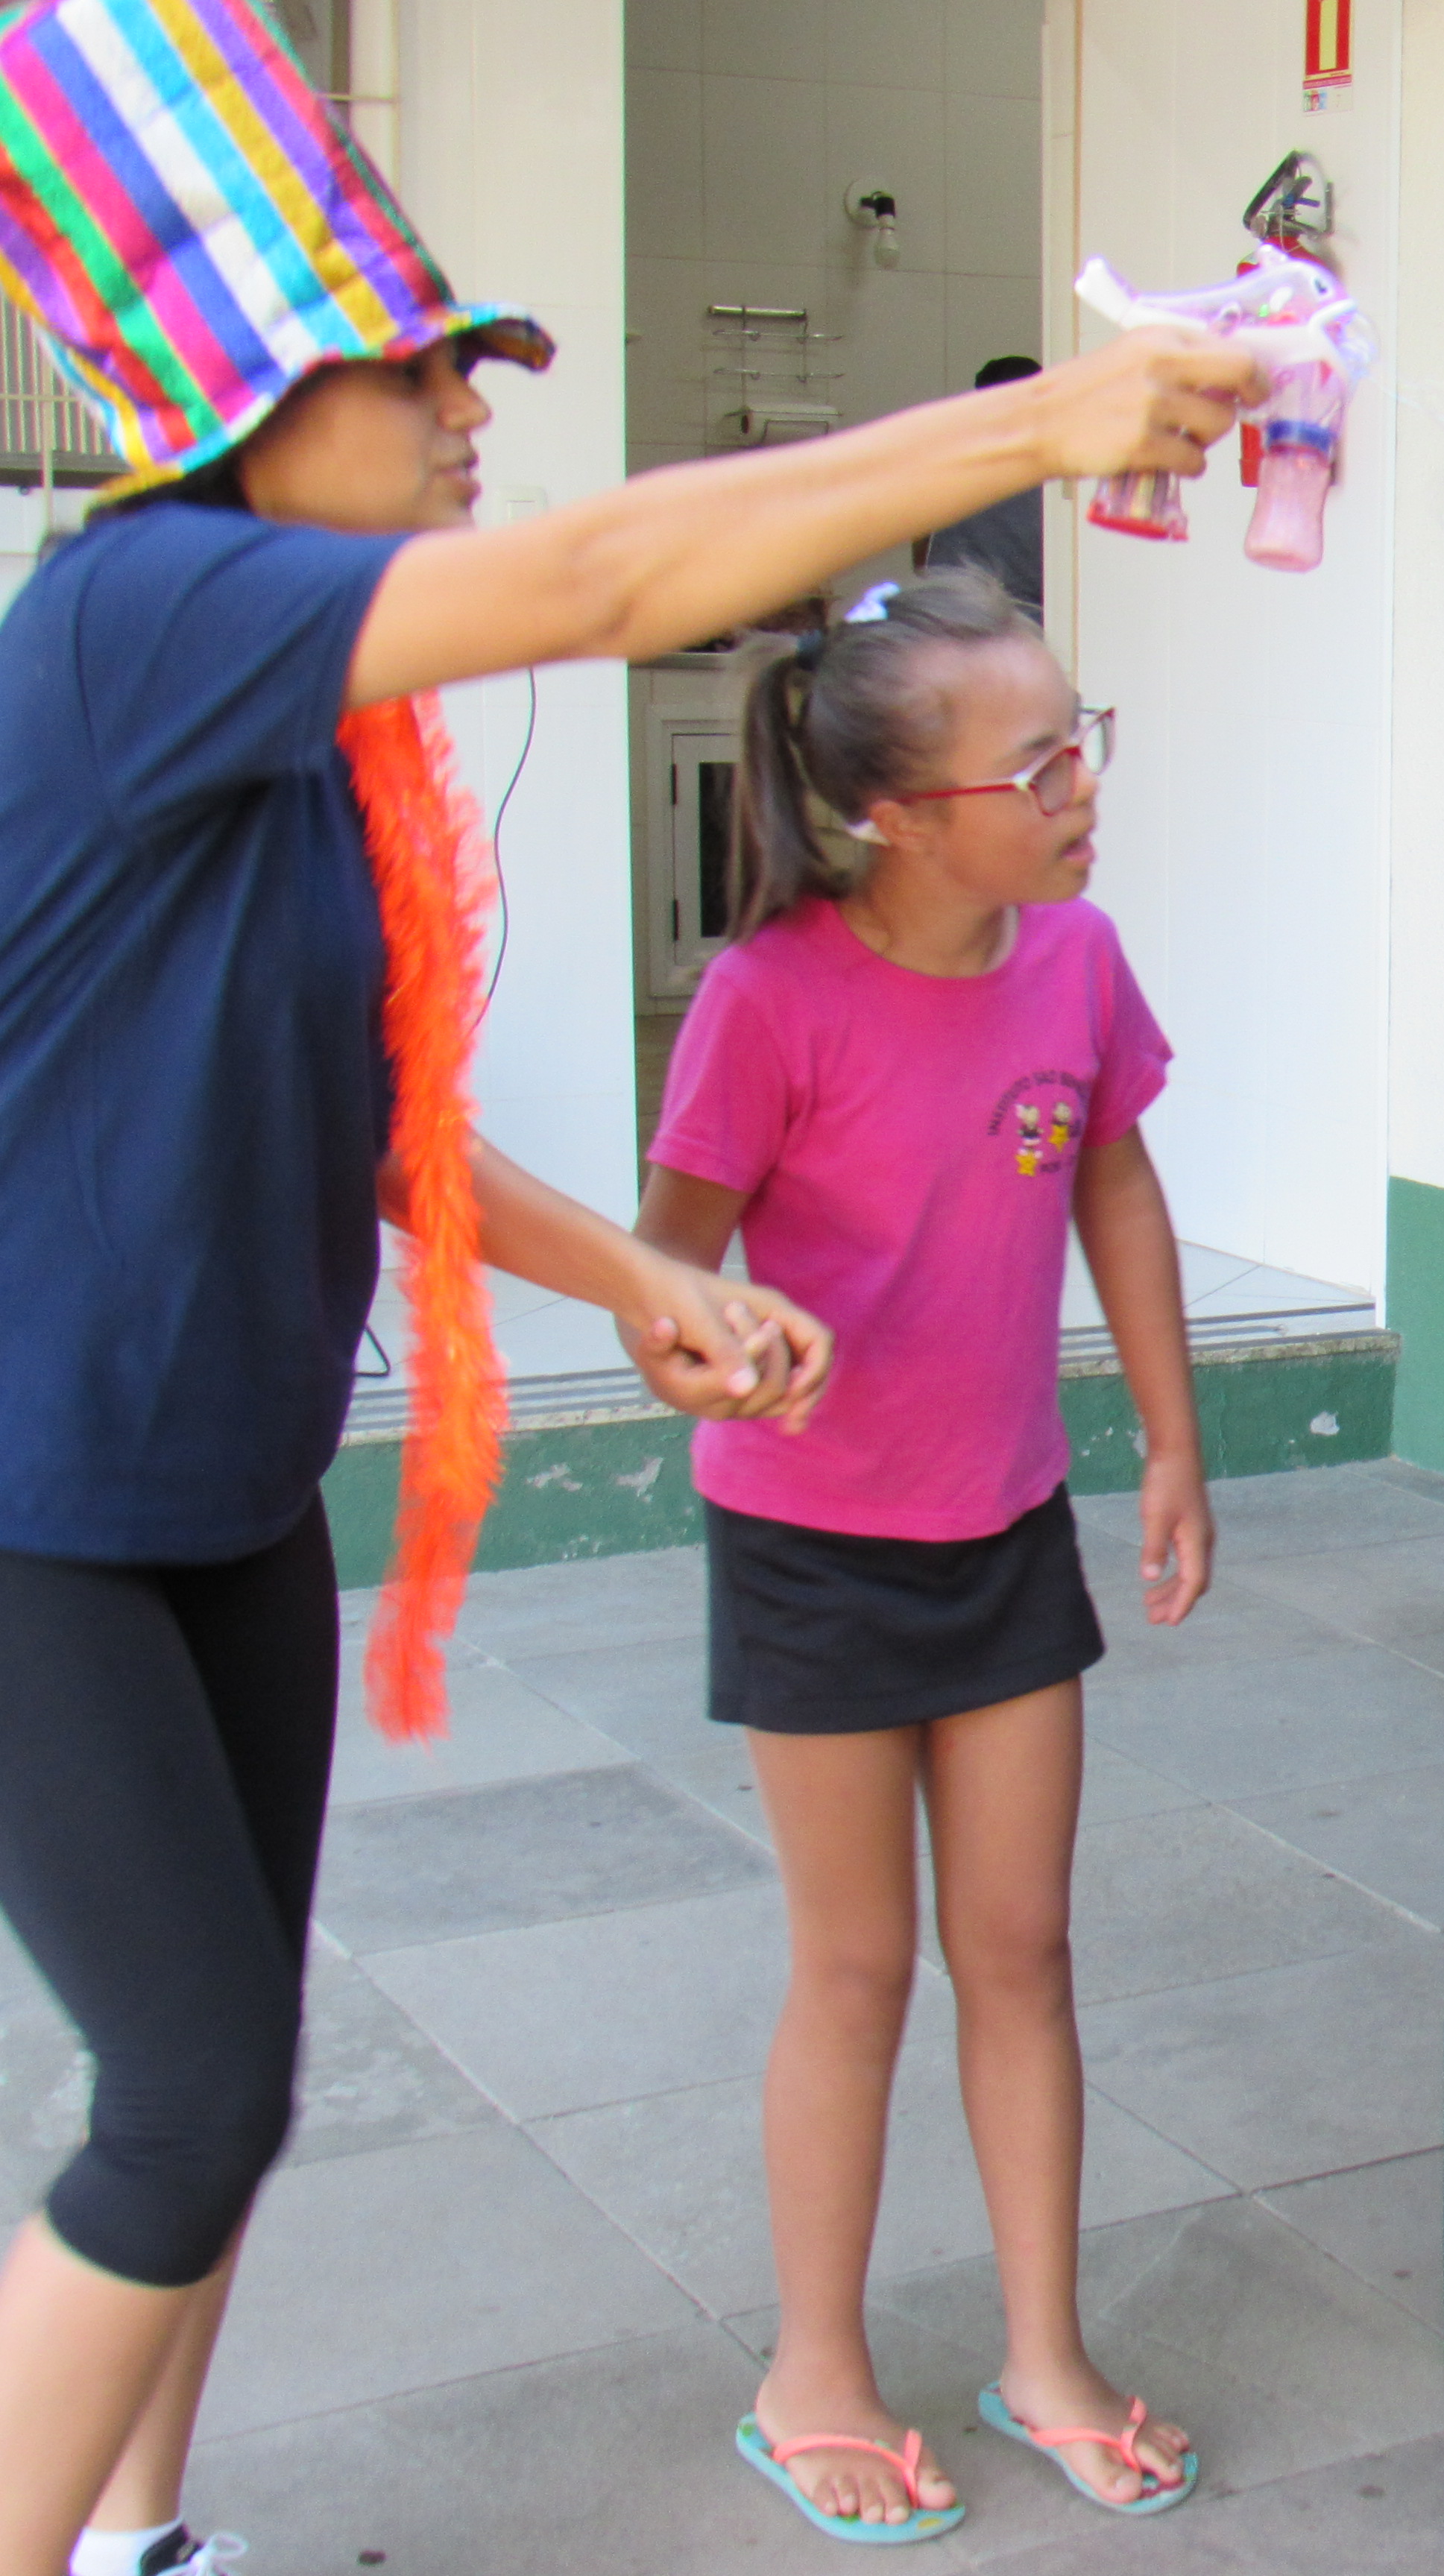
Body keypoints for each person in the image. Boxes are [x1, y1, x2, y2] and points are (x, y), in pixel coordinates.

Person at [0, 6, 1258, 2571]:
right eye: (422, 367)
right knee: (192, 2088)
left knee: (204, 2084)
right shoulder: (136, 609)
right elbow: (595, 582)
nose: (474, 410)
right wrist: (1046, 422)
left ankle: (134, 2535)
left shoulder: (283, 727)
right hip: (38, 1499)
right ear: (244, 397)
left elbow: (371, 1122)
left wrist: (635, 1285)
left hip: (216, 1484)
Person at [637, 568, 1211, 2540]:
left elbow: (1116, 1186)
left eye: (1082, 742)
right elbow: (664, 1269)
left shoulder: (1078, 964)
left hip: (1004, 1524)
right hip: (810, 1546)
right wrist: (716, 1351)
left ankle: (1045, 2355)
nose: (1081, 786)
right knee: (860, 1964)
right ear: (895, 815)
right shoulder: (769, 999)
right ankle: (813, 2367)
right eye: (1037, 765)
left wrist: (1172, 1443)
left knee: (1024, 1950)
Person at [917, 357, 1048, 620]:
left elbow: (921, 549)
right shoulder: (1054, 468)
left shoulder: (953, 461)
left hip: (953, 612)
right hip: (1030, 621)